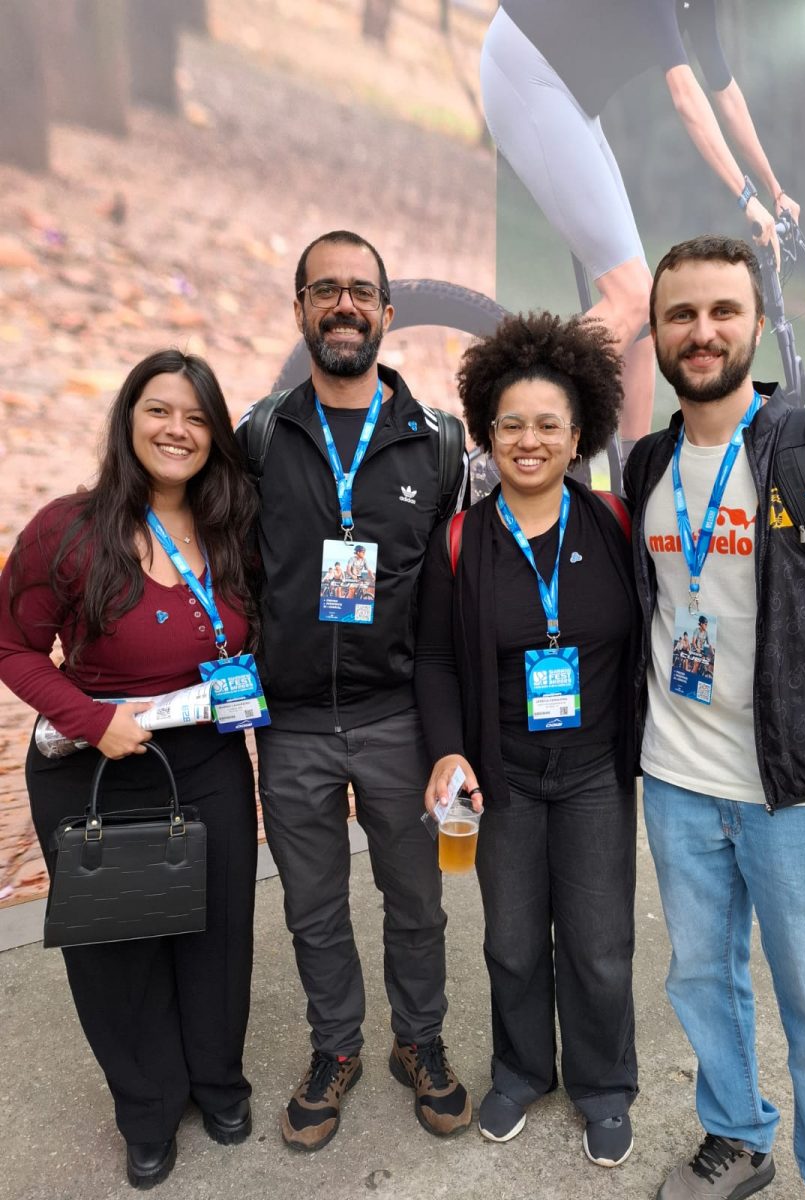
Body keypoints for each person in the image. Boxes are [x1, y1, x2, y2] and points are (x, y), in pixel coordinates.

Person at [624, 235, 805, 1199]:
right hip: (678, 783)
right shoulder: (648, 463)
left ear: (755, 324)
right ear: (658, 331)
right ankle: (737, 1139)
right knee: (703, 985)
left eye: (722, 312)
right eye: (681, 314)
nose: (701, 332)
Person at [0, 350, 260, 1189]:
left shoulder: (232, 527)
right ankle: (147, 1110)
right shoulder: (69, 530)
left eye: (196, 417)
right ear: (128, 420)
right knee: (122, 949)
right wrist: (90, 718)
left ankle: (217, 1083)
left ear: (215, 436)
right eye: (159, 410)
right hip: (101, 767)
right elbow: (12, 647)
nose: (177, 430)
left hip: (209, 760)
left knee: (216, 935)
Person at [236, 230, 471, 1151]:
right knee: (314, 908)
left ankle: (419, 1041)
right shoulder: (260, 436)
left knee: (417, 901)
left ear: (386, 312)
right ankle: (335, 1048)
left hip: (396, 719)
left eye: (361, 292)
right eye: (325, 290)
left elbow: (450, 591)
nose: (344, 305)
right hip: (292, 724)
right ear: (300, 308)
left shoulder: (436, 445)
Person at [415, 312, 640, 1167]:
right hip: (501, 773)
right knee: (510, 940)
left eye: (549, 424)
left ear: (579, 436)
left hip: (594, 773)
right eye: (512, 424)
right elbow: (435, 659)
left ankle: (603, 1083)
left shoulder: (614, 524)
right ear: (487, 432)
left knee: (599, 942)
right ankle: (520, 1070)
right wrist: (448, 750)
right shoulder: (461, 540)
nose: (530, 441)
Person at [480, 0, 801, 445]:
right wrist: (746, 197)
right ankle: (511, 439)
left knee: (643, 318)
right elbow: (686, 96)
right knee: (629, 297)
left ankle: (632, 483)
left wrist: (775, 190)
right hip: (524, 72)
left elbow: (725, 93)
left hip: (571, 99)